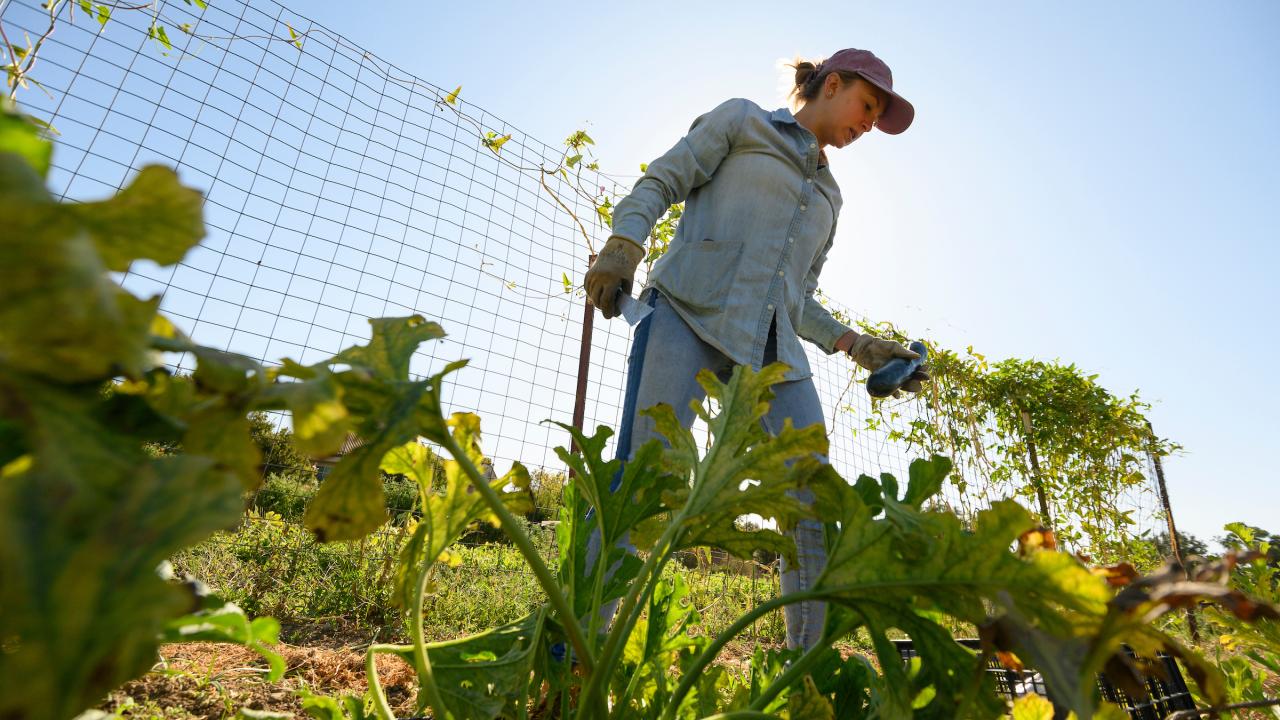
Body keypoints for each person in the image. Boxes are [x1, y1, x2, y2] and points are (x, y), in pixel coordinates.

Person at [583, 48, 930, 651]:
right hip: (689, 312)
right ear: (832, 84)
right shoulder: (744, 121)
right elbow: (664, 177)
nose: (870, 123)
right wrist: (624, 244)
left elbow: (798, 300)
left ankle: (809, 667)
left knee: (812, 499)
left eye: (878, 117)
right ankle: (575, 645)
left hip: (775, 352)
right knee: (643, 478)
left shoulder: (830, 198)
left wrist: (859, 345)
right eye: (867, 105)